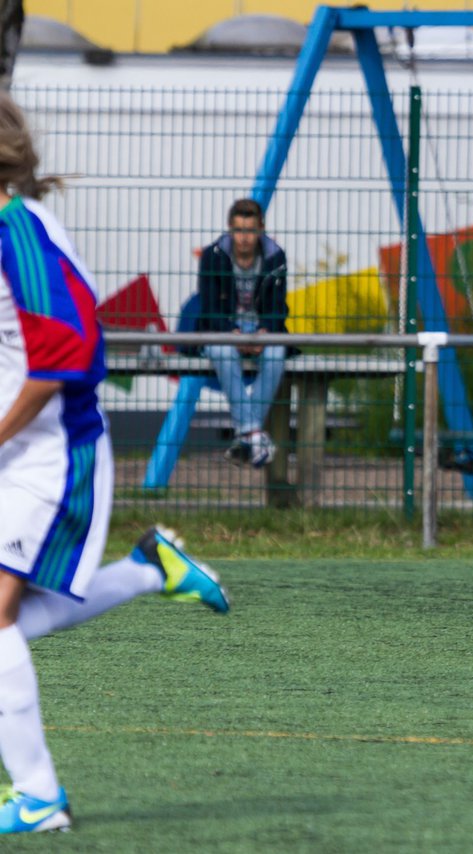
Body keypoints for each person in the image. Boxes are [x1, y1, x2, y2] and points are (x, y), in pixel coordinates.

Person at [0, 93, 230, 835]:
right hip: (22, 451)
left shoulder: (17, 231)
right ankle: (147, 568)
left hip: (50, 455)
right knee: (10, 622)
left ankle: (39, 798)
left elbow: (67, 353)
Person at [196, 197, 289, 468]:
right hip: (222, 330)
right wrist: (231, 332)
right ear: (229, 229)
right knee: (222, 351)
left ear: (261, 229)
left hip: (261, 330)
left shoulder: (275, 256)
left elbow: (278, 307)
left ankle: (246, 437)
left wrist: (265, 331)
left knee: (276, 354)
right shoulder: (213, 256)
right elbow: (210, 309)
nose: (244, 238)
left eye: (249, 231)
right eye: (238, 230)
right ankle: (254, 434)